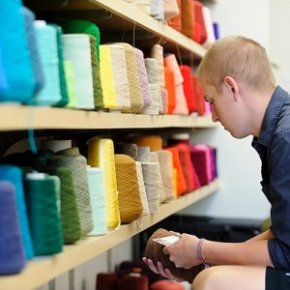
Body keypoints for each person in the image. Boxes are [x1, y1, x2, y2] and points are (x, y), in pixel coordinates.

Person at [143, 35, 290, 290]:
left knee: (212, 283)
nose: (212, 116)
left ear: (231, 87)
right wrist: (204, 258)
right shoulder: (279, 130)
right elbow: (282, 234)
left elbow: (286, 252)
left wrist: (202, 251)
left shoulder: (285, 139)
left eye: (210, 100)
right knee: (211, 274)